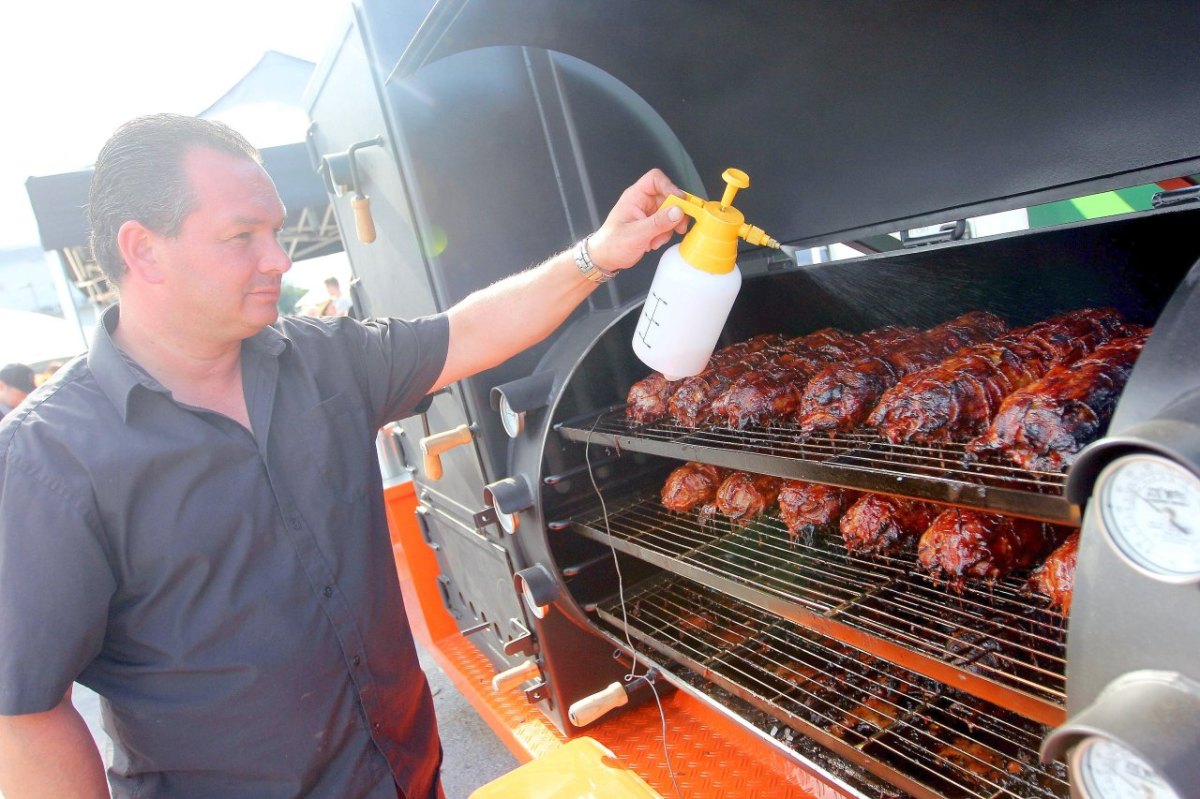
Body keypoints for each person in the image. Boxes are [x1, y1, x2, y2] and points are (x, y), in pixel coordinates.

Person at [0, 114, 686, 799]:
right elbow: (25, 713)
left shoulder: (320, 358)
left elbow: (470, 329)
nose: (279, 259)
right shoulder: (48, 459)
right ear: (143, 251)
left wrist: (600, 252)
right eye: (243, 237)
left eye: (273, 231)